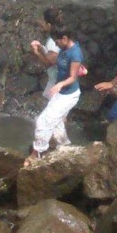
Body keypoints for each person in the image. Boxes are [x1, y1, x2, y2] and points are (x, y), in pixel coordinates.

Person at [27, 26, 83, 161]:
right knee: (56, 123)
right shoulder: (64, 50)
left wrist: (60, 84)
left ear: (65, 38)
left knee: (42, 121)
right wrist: (39, 50)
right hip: (61, 94)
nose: (55, 44)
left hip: (69, 95)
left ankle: (37, 153)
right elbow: (50, 63)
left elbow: (73, 77)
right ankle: (65, 147)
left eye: (56, 41)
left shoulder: (75, 53)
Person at [30, 8, 61, 75]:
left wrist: (37, 53)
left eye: (43, 21)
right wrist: (41, 47)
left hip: (56, 78)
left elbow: (49, 63)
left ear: (49, 25)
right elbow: (49, 54)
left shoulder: (53, 41)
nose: (41, 24)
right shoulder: (58, 34)